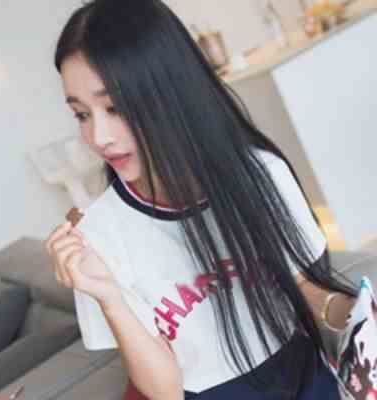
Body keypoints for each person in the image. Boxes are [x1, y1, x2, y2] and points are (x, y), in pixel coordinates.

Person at [45, 0, 359, 399]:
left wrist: (356, 316)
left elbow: (302, 289)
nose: (99, 137)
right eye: (81, 114)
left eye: (114, 108)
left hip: (307, 382)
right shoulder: (99, 236)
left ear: (172, 92)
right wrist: (108, 296)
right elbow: (165, 392)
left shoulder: (259, 172)